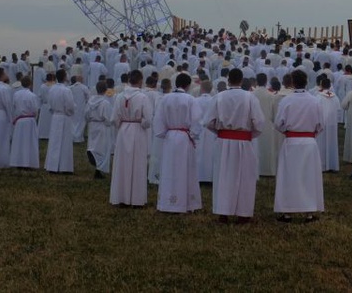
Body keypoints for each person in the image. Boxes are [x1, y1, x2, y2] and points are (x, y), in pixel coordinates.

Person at [203, 68, 265, 224]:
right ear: (242, 80)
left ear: (228, 80)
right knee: (244, 176)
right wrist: (249, 134)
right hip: (244, 142)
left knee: (223, 175)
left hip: (224, 141)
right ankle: (243, 213)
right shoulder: (250, 98)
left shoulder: (219, 97)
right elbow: (259, 123)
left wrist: (220, 132)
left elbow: (208, 122)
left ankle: (222, 213)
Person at [273, 69, 324, 222]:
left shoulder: (286, 101)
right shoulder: (314, 101)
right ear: (306, 82)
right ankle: (309, 212)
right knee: (309, 176)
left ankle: (287, 212)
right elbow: (321, 124)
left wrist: (289, 131)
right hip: (309, 143)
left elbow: (278, 123)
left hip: (291, 142)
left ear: (293, 83)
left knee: (289, 176)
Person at [153, 73, 202, 213]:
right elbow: (197, 120)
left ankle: (168, 202)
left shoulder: (165, 99)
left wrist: (164, 134)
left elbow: (158, 119)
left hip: (169, 137)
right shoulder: (190, 99)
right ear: (188, 85)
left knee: (169, 169)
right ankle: (184, 203)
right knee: (184, 169)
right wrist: (192, 135)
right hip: (184, 137)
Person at [110, 70, 154, 207]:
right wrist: (140, 121)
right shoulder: (142, 97)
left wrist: (122, 124)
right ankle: (136, 199)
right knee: (137, 164)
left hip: (123, 130)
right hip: (137, 130)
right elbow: (148, 120)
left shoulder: (119, 96)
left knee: (122, 163)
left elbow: (114, 119)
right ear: (140, 81)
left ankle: (121, 196)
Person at [44, 69, 76, 174]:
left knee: (54, 141)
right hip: (64, 117)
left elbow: (50, 104)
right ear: (64, 77)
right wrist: (69, 112)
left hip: (55, 116)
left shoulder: (52, 89)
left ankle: (52, 165)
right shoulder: (66, 90)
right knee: (65, 142)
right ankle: (64, 167)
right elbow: (70, 106)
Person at [10, 76, 40, 169]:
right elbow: (35, 109)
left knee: (19, 142)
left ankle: (17, 161)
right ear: (30, 84)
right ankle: (29, 162)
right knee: (29, 142)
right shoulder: (32, 95)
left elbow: (14, 106)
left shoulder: (16, 94)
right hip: (29, 121)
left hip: (19, 120)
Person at [86, 81, 112, 178]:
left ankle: (93, 155)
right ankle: (99, 168)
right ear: (106, 90)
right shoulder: (105, 103)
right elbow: (107, 117)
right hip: (102, 126)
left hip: (93, 125)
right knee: (102, 148)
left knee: (93, 144)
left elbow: (86, 114)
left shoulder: (90, 101)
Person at [315, 78, 340, 172]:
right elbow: (338, 110)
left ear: (321, 85)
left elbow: (315, 110)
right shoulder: (335, 97)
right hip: (332, 123)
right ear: (330, 86)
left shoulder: (318, 97)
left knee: (321, 143)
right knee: (331, 143)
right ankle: (332, 164)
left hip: (322, 123)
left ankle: (322, 164)